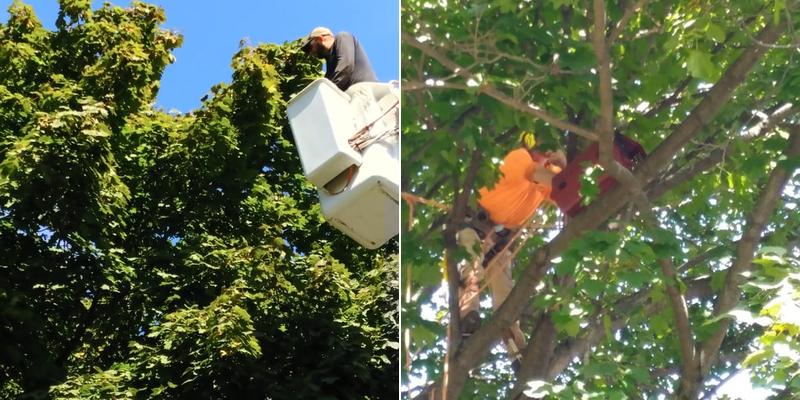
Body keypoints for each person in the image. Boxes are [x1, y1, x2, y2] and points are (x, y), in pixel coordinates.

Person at [301, 26, 377, 92]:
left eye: (310, 47)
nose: (310, 53)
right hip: (354, 99)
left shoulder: (342, 37)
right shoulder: (330, 64)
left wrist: (328, 93)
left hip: (366, 92)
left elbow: (345, 67)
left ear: (320, 39)